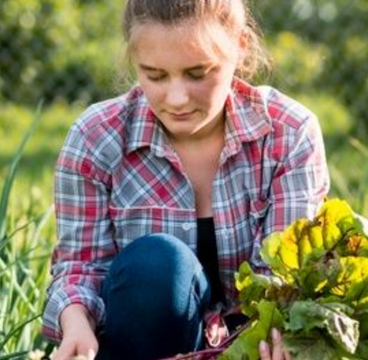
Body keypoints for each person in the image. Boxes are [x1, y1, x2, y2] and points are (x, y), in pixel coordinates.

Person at [42, 0, 330, 359]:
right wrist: (75, 321)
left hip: (249, 346)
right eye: (155, 75)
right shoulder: (96, 138)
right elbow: (81, 266)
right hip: (140, 344)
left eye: (198, 73)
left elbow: (285, 275)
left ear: (240, 46)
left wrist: (279, 332)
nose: (177, 99)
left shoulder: (288, 134)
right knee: (157, 264)